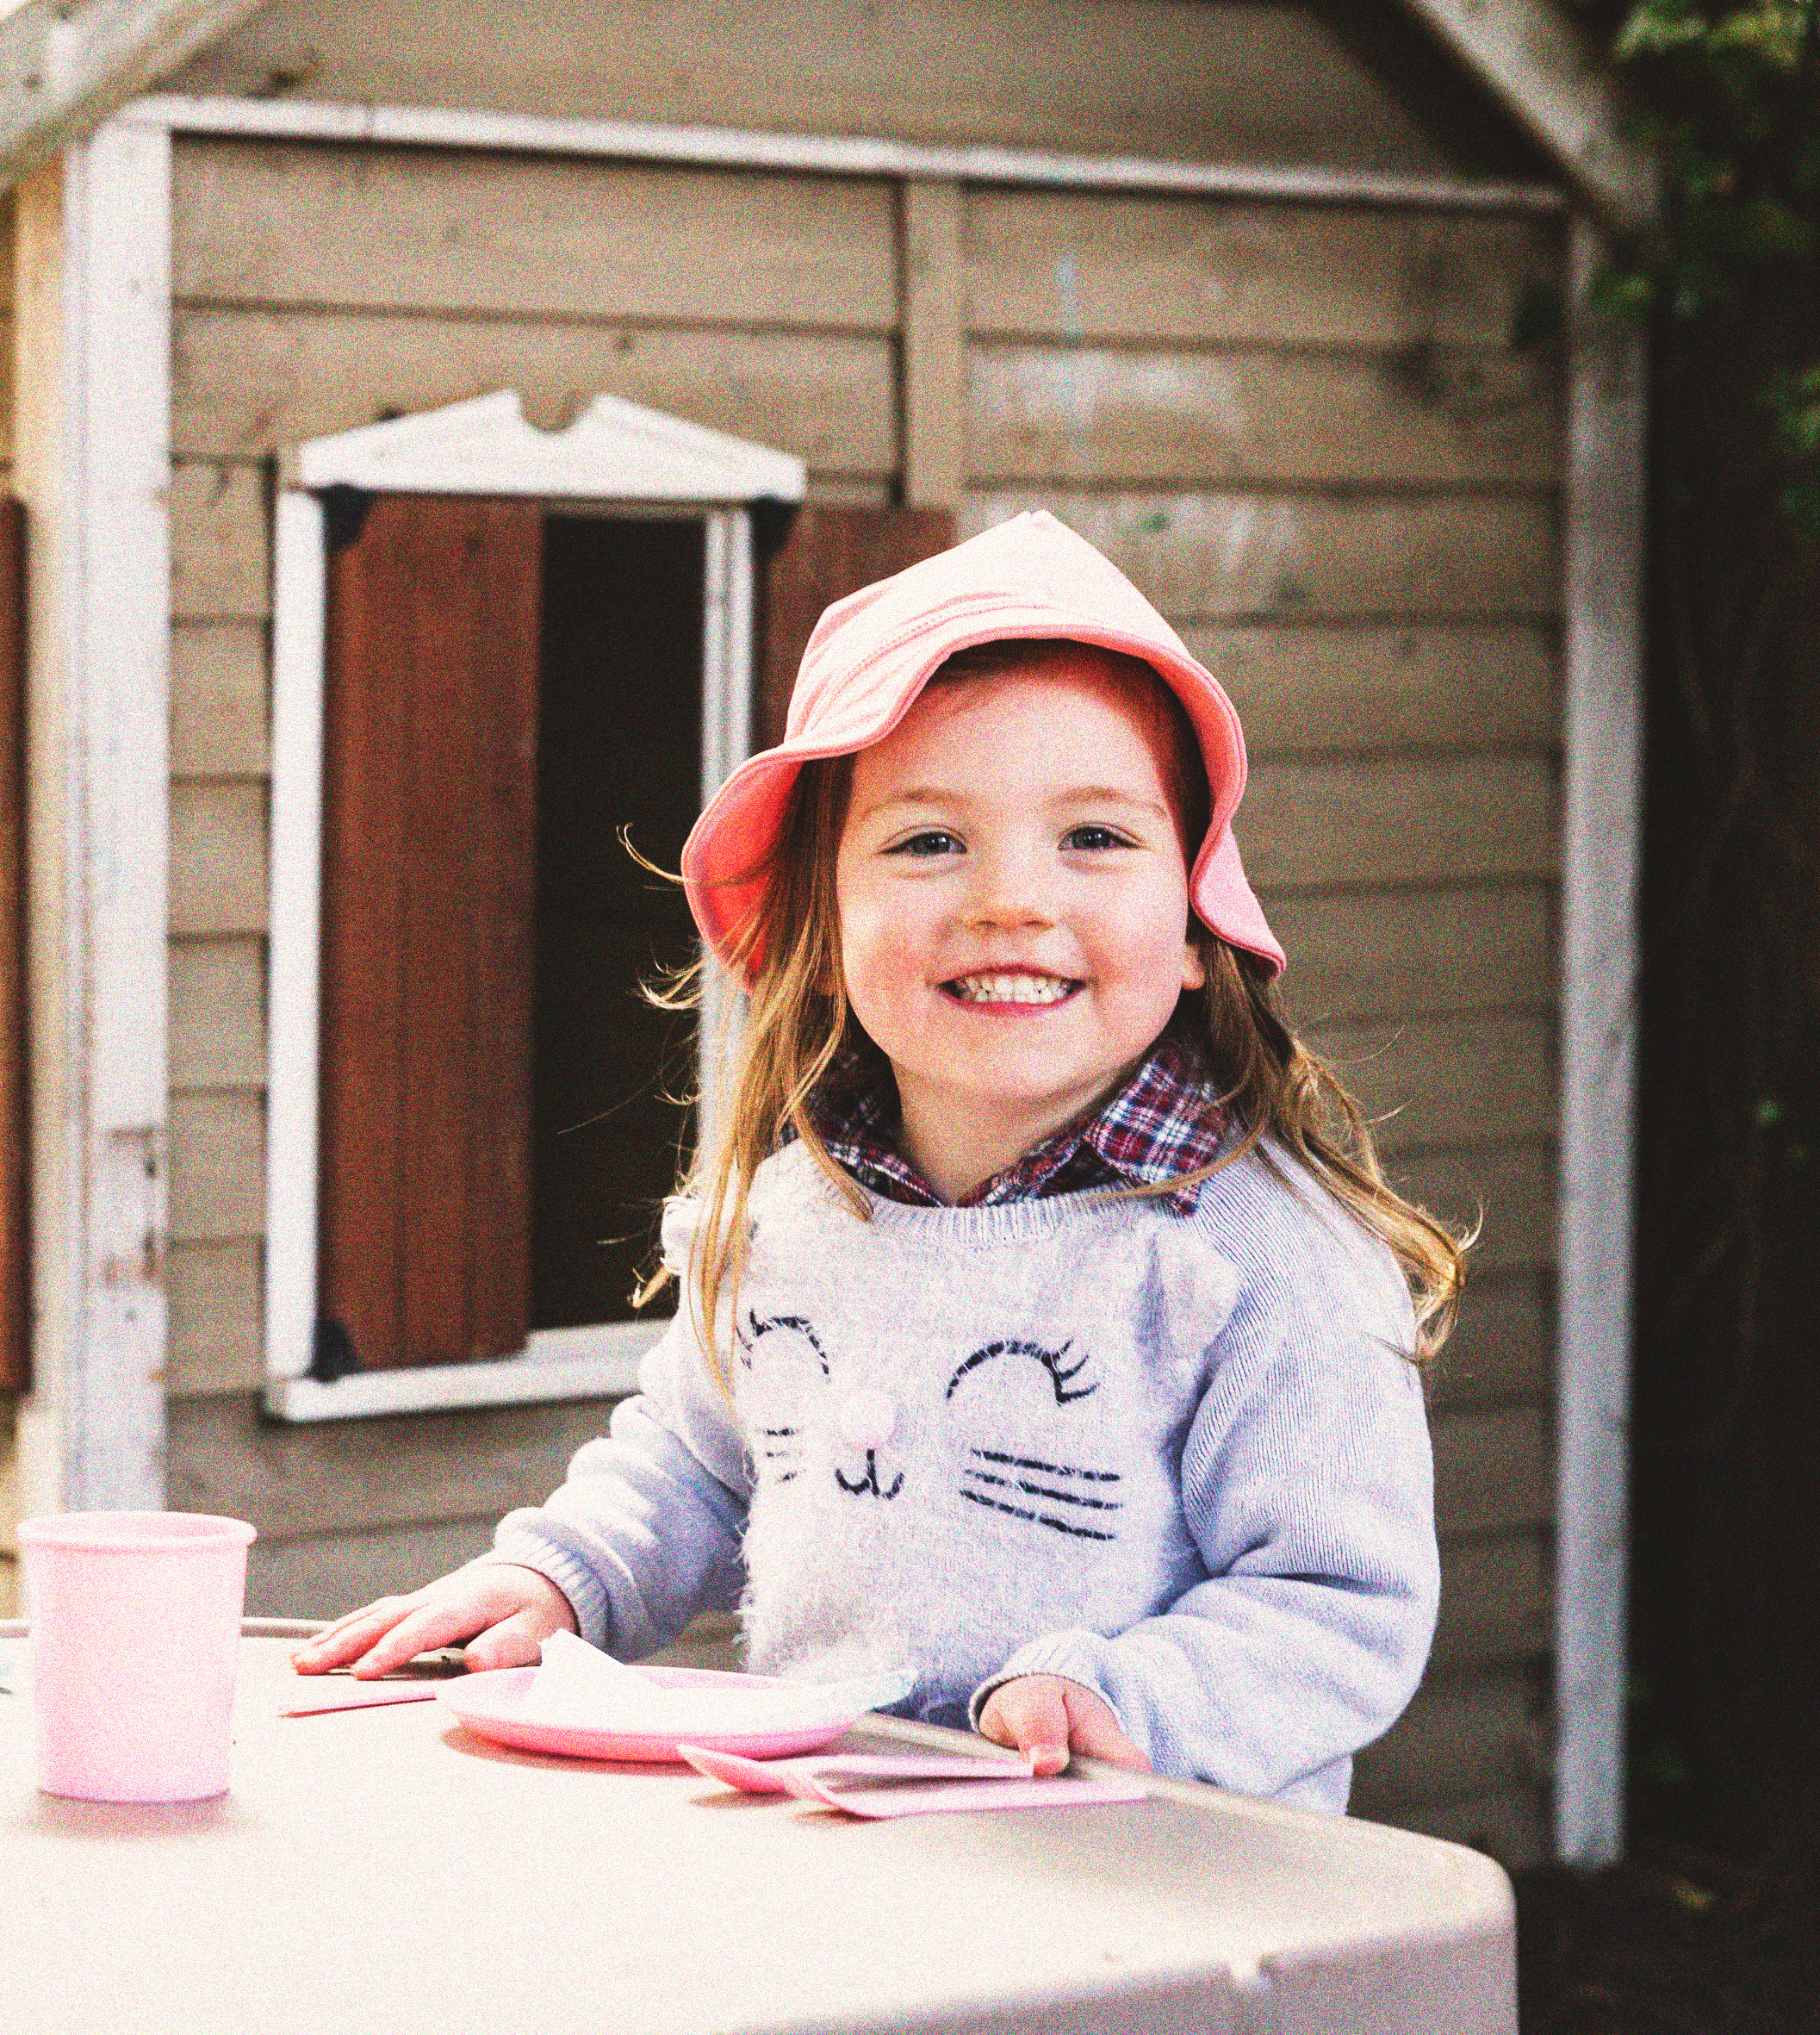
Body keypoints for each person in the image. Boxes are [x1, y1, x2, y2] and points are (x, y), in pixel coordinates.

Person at [291, 510, 1467, 1812]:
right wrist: (559, 1576)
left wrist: (1131, 1698)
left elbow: (1339, 1601)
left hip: (1154, 1916)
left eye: (1093, 837)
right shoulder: (787, 1210)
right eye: (926, 840)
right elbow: (691, 1461)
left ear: (1195, 923)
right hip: (847, 1871)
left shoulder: (1251, 1257)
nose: (1009, 897)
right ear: (822, 913)